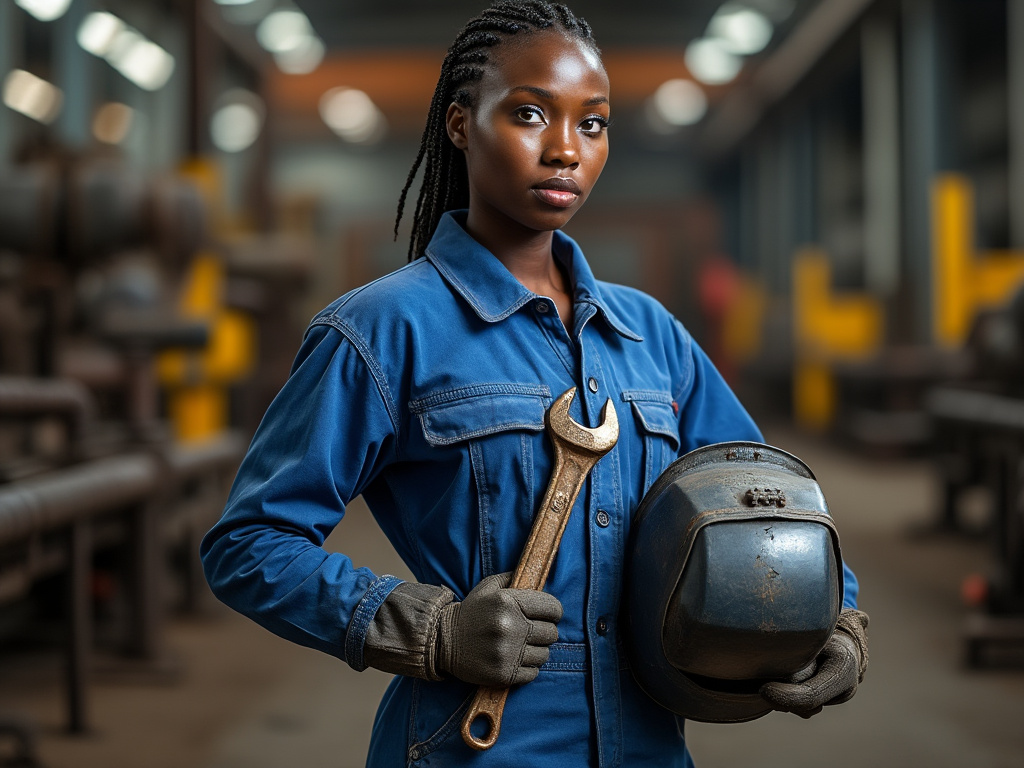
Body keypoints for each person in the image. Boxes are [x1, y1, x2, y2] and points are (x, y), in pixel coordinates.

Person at [200, 3, 867, 766]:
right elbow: (249, 545)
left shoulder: (652, 335)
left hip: (649, 746)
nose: (564, 150)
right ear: (460, 124)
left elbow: (767, 497)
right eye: (528, 114)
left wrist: (837, 615)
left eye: (593, 124)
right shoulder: (381, 330)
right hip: (476, 746)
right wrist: (432, 629)